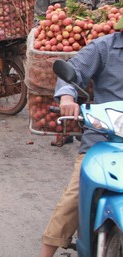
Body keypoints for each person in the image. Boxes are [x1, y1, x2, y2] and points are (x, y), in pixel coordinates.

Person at [39, 16, 123, 257]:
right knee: (75, 195)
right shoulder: (104, 47)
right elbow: (71, 73)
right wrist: (67, 98)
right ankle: (45, 253)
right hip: (104, 140)